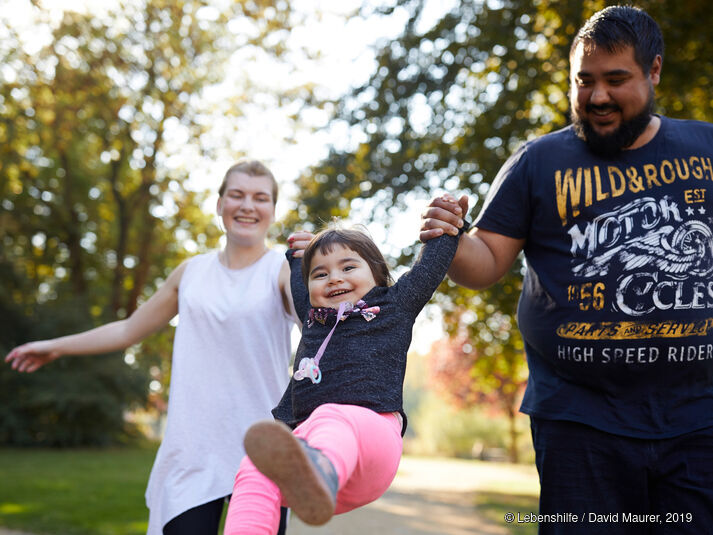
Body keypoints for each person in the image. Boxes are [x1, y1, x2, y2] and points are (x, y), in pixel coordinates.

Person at [420, 6, 713, 534]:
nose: (597, 96)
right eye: (585, 81)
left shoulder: (706, 149)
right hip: (580, 421)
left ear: (654, 72)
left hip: (700, 419)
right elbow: (485, 262)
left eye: (615, 80)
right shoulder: (539, 161)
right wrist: (451, 239)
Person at [5, 160, 296, 535]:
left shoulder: (284, 270)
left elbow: (315, 318)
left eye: (260, 198)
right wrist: (56, 347)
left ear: (272, 210)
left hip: (263, 449)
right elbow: (128, 329)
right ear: (219, 203)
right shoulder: (190, 272)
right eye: (236, 195)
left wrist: (315, 272)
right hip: (192, 448)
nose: (247, 206)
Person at [223, 221, 463, 534]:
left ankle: (320, 468)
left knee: (330, 416)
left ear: (376, 273)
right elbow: (300, 280)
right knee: (254, 468)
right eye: (320, 274)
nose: (334, 277)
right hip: (312, 446)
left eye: (348, 267)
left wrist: (448, 226)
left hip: (371, 442)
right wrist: (298, 257)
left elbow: (429, 268)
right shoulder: (313, 320)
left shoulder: (394, 306)